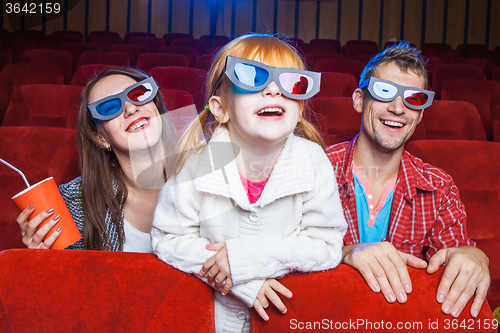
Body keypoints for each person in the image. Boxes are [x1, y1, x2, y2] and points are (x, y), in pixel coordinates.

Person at [151, 34, 347, 333]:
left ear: (300, 110)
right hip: (205, 319)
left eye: (291, 83)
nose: (272, 90)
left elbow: (327, 245)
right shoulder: (196, 163)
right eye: (252, 78)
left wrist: (247, 258)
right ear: (220, 108)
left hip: (286, 321)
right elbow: (167, 239)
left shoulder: (313, 160)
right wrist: (244, 281)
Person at [326, 42, 490, 319]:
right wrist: (342, 253)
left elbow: (453, 265)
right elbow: (277, 255)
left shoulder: (440, 187)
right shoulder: (312, 170)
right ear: (358, 100)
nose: (398, 108)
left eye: (413, 99)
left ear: (421, 114)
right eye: (384, 91)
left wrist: (473, 257)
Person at [16, 67, 176, 252]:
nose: (131, 108)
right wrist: (43, 261)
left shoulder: (206, 170)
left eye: (138, 94)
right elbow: (71, 277)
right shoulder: (75, 203)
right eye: (109, 108)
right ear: (101, 138)